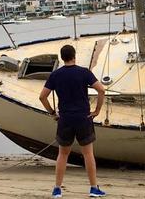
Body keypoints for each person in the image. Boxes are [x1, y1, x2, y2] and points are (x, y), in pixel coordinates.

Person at [39, 44, 107, 198]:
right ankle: (93, 188)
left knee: (63, 154)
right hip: (83, 118)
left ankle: (57, 189)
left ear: (62, 58)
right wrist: (97, 111)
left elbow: (42, 96)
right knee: (88, 154)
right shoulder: (84, 72)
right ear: (74, 55)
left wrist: (52, 112)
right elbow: (101, 90)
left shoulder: (55, 75)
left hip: (65, 119)